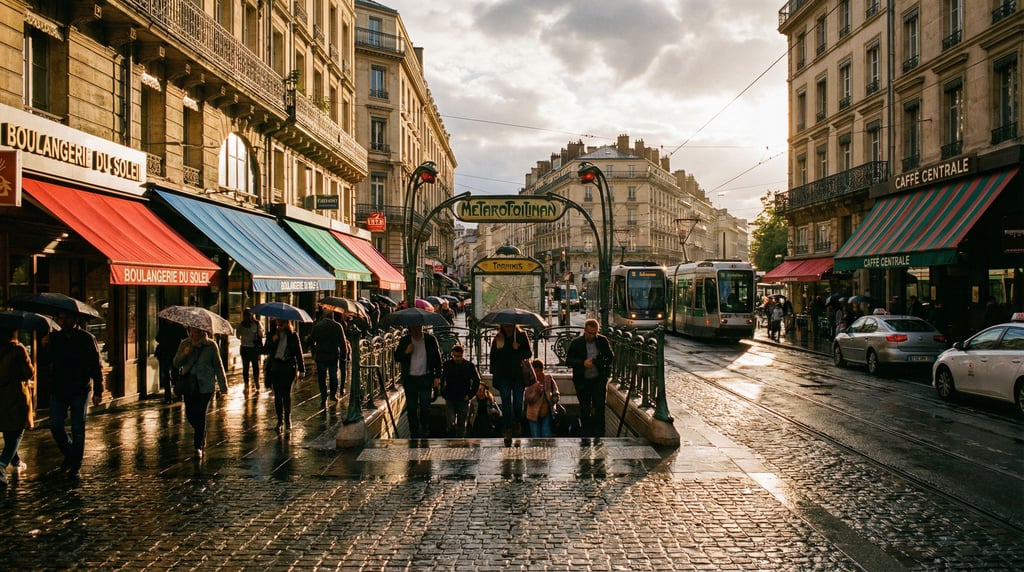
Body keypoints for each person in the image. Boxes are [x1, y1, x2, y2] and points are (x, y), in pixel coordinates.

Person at [43, 310, 103, 477]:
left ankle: (75, 464)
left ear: (75, 319)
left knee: (78, 426)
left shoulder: (86, 338)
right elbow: (46, 361)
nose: (62, 321)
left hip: (80, 388)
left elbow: (96, 366)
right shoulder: (55, 338)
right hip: (59, 388)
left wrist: (98, 390)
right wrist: (45, 346)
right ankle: (70, 454)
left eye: (66, 318)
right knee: (55, 425)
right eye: (60, 317)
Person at [173, 327, 228, 458]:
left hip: (205, 386)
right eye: (193, 329)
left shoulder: (211, 345)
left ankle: (198, 446)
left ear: (203, 331)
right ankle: (201, 432)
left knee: (201, 413)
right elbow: (176, 363)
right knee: (190, 414)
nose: (196, 332)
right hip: (189, 385)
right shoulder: (185, 343)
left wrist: (223, 386)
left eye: (198, 330)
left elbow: (218, 365)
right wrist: (184, 354)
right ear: (190, 329)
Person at [565, 318, 614, 438]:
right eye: (590, 333)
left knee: (599, 407)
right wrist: (582, 363)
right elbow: (569, 361)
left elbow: (610, 357)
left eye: (595, 333)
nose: (592, 336)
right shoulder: (577, 343)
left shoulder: (602, 341)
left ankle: (599, 436)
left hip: (598, 379)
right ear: (585, 330)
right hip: (583, 381)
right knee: (585, 408)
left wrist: (596, 362)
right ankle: (586, 436)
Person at [394, 324, 442, 438]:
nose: (416, 331)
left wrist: (437, 377)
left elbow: (437, 359)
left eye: (418, 328)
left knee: (425, 405)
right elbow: (397, 357)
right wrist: (406, 352)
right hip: (410, 379)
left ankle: (425, 427)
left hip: (425, 377)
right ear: (411, 329)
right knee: (411, 407)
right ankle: (414, 430)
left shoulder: (430, 340)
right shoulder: (405, 340)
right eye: (414, 328)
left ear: (422, 327)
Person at [0, 325, 34, 486]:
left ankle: (17, 462)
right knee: (17, 431)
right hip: (14, 395)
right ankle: (2, 464)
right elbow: (29, 372)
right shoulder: (17, 348)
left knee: (8, 428)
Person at [489, 323, 532, 442]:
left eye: (510, 326)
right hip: (503, 375)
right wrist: (499, 348)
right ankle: (507, 428)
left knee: (518, 402)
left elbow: (528, 353)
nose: (508, 328)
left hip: (518, 375)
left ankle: (517, 420)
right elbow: (493, 357)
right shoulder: (498, 338)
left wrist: (517, 349)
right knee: (506, 401)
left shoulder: (521, 335)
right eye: (506, 326)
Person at [264, 319, 305, 432]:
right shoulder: (272, 335)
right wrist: (272, 341)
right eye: (278, 323)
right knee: (277, 395)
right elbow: (265, 350)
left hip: (288, 367)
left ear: (287, 323)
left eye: (282, 323)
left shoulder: (293, 335)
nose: (280, 325)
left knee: (286, 394)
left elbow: (298, 352)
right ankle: (279, 420)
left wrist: (302, 370)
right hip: (275, 367)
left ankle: (287, 418)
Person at [307, 308, 349, 409]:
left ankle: (323, 397)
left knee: (322, 378)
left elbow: (311, 340)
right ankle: (333, 394)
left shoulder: (318, 326)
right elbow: (343, 343)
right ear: (333, 316)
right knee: (333, 376)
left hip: (321, 355)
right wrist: (344, 355)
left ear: (324, 316)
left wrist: (314, 352)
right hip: (333, 355)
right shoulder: (338, 326)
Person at [439, 344, 480, 437]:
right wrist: (443, 392)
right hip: (451, 396)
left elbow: (476, 381)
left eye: (459, 356)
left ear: (462, 355)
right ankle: (452, 438)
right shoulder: (447, 365)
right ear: (452, 355)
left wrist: (470, 395)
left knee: (461, 422)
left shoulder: (469, 366)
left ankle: (459, 439)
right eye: (455, 356)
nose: (457, 358)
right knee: (451, 421)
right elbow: (441, 379)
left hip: (463, 397)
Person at [524, 359, 559, 438]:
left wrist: (554, 399)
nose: (538, 373)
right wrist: (536, 392)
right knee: (535, 437)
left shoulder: (548, 379)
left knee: (546, 435)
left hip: (546, 413)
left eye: (540, 371)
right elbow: (528, 399)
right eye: (536, 371)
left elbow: (555, 392)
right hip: (533, 415)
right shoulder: (529, 382)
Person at [155, 317, 187, 403]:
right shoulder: (164, 327)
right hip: (165, 354)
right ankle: (168, 396)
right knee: (166, 375)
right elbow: (157, 338)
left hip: (175, 354)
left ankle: (178, 393)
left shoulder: (179, 327)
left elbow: (185, 338)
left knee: (175, 374)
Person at [236, 308, 264, 396]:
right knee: (255, 366)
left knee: (246, 367)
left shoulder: (241, 325)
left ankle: (247, 384)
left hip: (245, 348)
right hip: (252, 348)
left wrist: (243, 337)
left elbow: (237, 335)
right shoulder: (256, 323)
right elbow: (261, 335)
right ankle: (256, 382)